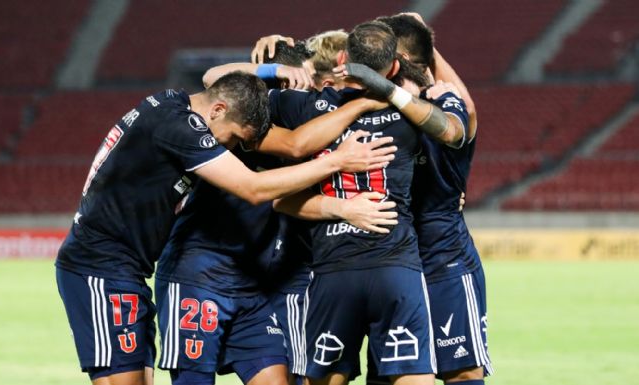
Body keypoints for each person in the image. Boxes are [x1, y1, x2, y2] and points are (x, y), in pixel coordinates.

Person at [55, 71, 395, 385]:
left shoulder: (175, 102)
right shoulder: (179, 127)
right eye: (233, 137)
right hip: (99, 267)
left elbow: (224, 83)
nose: (230, 147)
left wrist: (271, 69)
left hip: (129, 269)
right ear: (218, 110)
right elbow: (253, 188)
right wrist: (336, 161)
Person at [271, 21, 450, 385]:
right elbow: (451, 129)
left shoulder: (305, 107)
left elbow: (215, 82)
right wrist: (396, 89)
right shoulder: (411, 113)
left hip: (334, 270)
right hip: (396, 267)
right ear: (395, 68)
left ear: (342, 59)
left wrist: (272, 67)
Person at [353, 13, 492, 385]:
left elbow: (464, 109)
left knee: (462, 373)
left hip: (444, 261)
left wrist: (429, 49)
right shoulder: (371, 110)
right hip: (392, 266)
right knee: (388, 376)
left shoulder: (447, 107)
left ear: (395, 62)